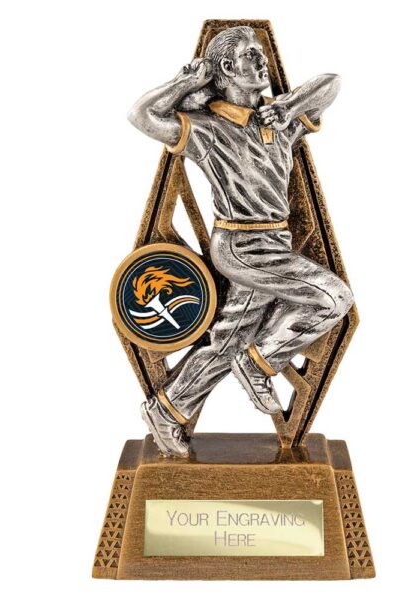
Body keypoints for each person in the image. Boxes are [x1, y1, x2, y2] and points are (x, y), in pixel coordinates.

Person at [128, 26, 354, 457]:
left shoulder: (278, 121)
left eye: (261, 53)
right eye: (252, 55)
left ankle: (168, 409)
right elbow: (141, 115)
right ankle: (260, 361)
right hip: (242, 246)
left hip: (275, 244)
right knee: (333, 297)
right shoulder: (207, 128)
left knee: (228, 339)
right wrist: (185, 83)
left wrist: (288, 107)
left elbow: (332, 84)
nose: (262, 61)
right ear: (228, 68)